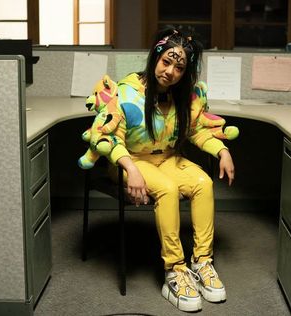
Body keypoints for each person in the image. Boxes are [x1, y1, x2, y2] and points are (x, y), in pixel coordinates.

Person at [105, 27, 236, 312]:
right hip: (131, 161)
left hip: (166, 158)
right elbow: (110, 137)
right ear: (155, 57)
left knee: (203, 182)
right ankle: (174, 269)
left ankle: (201, 262)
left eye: (179, 67)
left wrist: (222, 150)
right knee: (167, 189)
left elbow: (198, 131)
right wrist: (130, 169)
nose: (170, 72)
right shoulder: (126, 92)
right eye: (166, 62)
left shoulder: (183, 96)